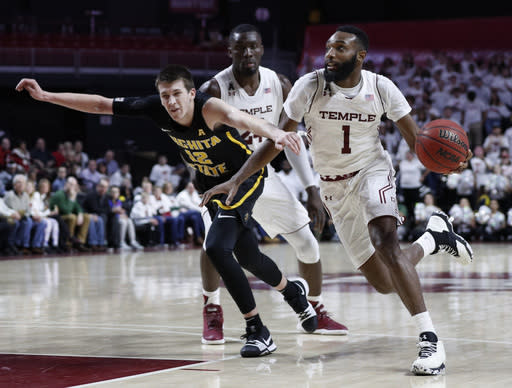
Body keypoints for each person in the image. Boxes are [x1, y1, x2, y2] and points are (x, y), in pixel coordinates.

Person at [200, 26, 474, 375]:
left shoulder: (381, 87)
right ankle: (432, 238)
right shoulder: (307, 86)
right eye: (328, 48)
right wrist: (237, 179)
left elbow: (417, 141)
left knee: (386, 241)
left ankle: (430, 340)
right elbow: (278, 139)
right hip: (334, 187)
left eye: (340, 49)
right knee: (384, 283)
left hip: (372, 171)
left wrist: (446, 162)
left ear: (360, 56)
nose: (329, 54)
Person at [16, 64, 317, 358]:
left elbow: (239, 117)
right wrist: (47, 96)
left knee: (215, 247)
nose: (171, 102)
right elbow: (100, 104)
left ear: (191, 93)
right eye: (165, 95)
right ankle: (292, 292)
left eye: (176, 94)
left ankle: (257, 330)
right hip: (209, 185)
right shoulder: (156, 108)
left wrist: (275, 133)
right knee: (249, 257)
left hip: (243, 178)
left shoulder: (209, 108)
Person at [198, 24, 347, 344]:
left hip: (263, 176)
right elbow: (195, 141)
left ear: (262, 49)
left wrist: (310, 188)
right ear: (230, 51)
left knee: (307, 242)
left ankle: (314, 309)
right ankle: (212, 308)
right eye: (241, 48)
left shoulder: (278, 83)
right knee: (214, 247)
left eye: (253, 47)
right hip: (224, 178)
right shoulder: (213, 89)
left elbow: (289, 140)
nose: (248, 53)